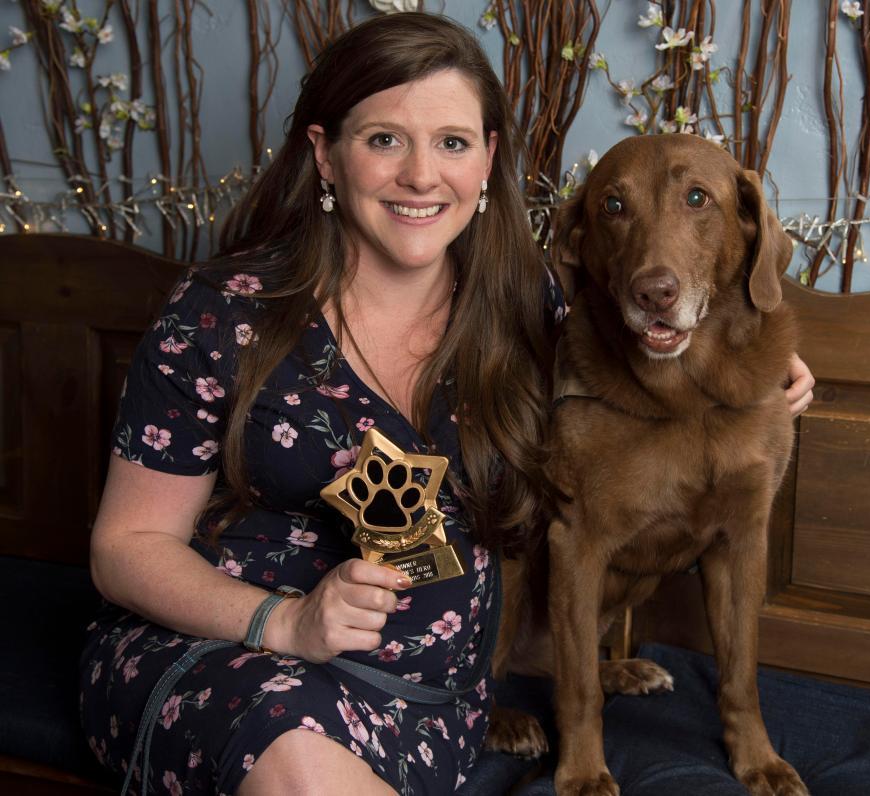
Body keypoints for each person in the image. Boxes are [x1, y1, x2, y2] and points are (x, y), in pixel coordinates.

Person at [79, 11, 815, 796]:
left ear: (487, 160)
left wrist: (760, 367)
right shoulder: (221, 314)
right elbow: (125, 547)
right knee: (294, 755)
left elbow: (645, 342)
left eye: (453, 143)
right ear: (326, 155)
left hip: (429, 701)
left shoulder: (523, 306)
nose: (422, 176)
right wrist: (282, 622)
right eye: (385, 139)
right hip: (229, 656)